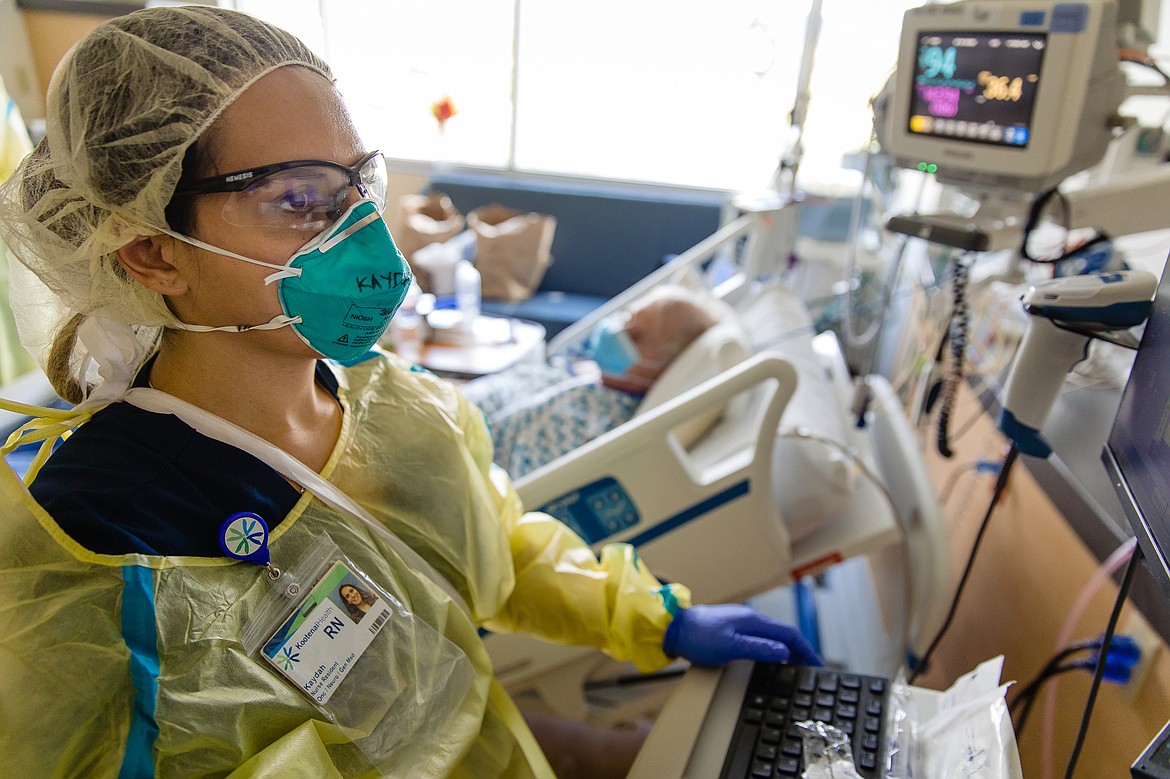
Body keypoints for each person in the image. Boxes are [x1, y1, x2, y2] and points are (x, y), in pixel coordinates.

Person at [0, 8, 819, 777]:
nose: (366, 239)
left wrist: (654, 618)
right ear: (152, 252)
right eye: (298, 200)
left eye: (359, 187)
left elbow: (499, 546)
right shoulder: (96, 539)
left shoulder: (395, 405)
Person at [463, 284, 740, 477]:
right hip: (457, 402)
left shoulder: (596, 424)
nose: (619, 331)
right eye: (627, 317)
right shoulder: (587, 371)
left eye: (636, 337)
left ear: (664, 368)